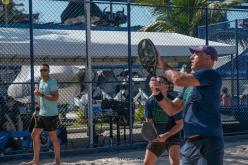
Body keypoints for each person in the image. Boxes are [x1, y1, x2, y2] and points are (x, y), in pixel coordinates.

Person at [150, 45, 224, 165]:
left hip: (208, 142)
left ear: (208, 58)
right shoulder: (188, 85)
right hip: (189, 144)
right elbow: (172, 110)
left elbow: (178, 79)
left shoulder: (210, 74)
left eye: (196, 54)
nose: (191, 57)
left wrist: (163, 65)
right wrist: (157, 93)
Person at [22, 64, 60, 165]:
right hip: (42, 114)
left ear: (49, 71)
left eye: (45, 70)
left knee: (53, 138)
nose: (42, 72)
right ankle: (36, 160)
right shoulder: (41, 82)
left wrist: (41, 94)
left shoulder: (52, 82)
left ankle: (57, 161)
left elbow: (55, 97)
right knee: (34, 135)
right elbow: (40, 99)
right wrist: (37, 110)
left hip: (51, 115)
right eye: (41, 70)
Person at [144, 76, 183, 165]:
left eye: (160, 82)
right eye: (156, 82)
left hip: (172, 135)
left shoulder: (174, 102)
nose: (156, 83)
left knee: (175, 162)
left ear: (166, 86)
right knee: (147, 163)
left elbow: (180, 124)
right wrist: (153, 136)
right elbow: (149, 123)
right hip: (157, 137)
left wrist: (166, 135)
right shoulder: (149, 102)